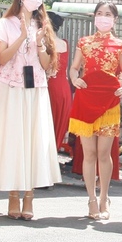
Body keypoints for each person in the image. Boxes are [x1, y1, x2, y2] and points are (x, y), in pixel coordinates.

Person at [0, 0, 60, 220]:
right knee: (13, 138)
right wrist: (21, 36)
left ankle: (29, 195)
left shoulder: (43, 24)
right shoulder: (5, 23)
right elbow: (2, 58)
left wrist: (40, 44)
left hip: (36, 89)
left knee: (33, 139)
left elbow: (47, 65)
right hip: (11, 87)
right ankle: (12, 194)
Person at [68, 2, 122, 220]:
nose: (103, 17)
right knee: (89, 153)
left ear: (115, 19)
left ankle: (104, 197)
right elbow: (74, 67)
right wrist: (75, 78)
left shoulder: (120, 45)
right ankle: (91, 199)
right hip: (86, 99)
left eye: (108, 14)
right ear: (94, 17)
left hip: (109, 102)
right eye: (100, 14)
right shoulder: (84, 42)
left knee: (104, 154)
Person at [46, 11, 73, 157]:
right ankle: (52, 159)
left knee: (46, 124)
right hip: (64, 88)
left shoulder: (44, 44)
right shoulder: (65, 44)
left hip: (50, 87)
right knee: (58, 125)